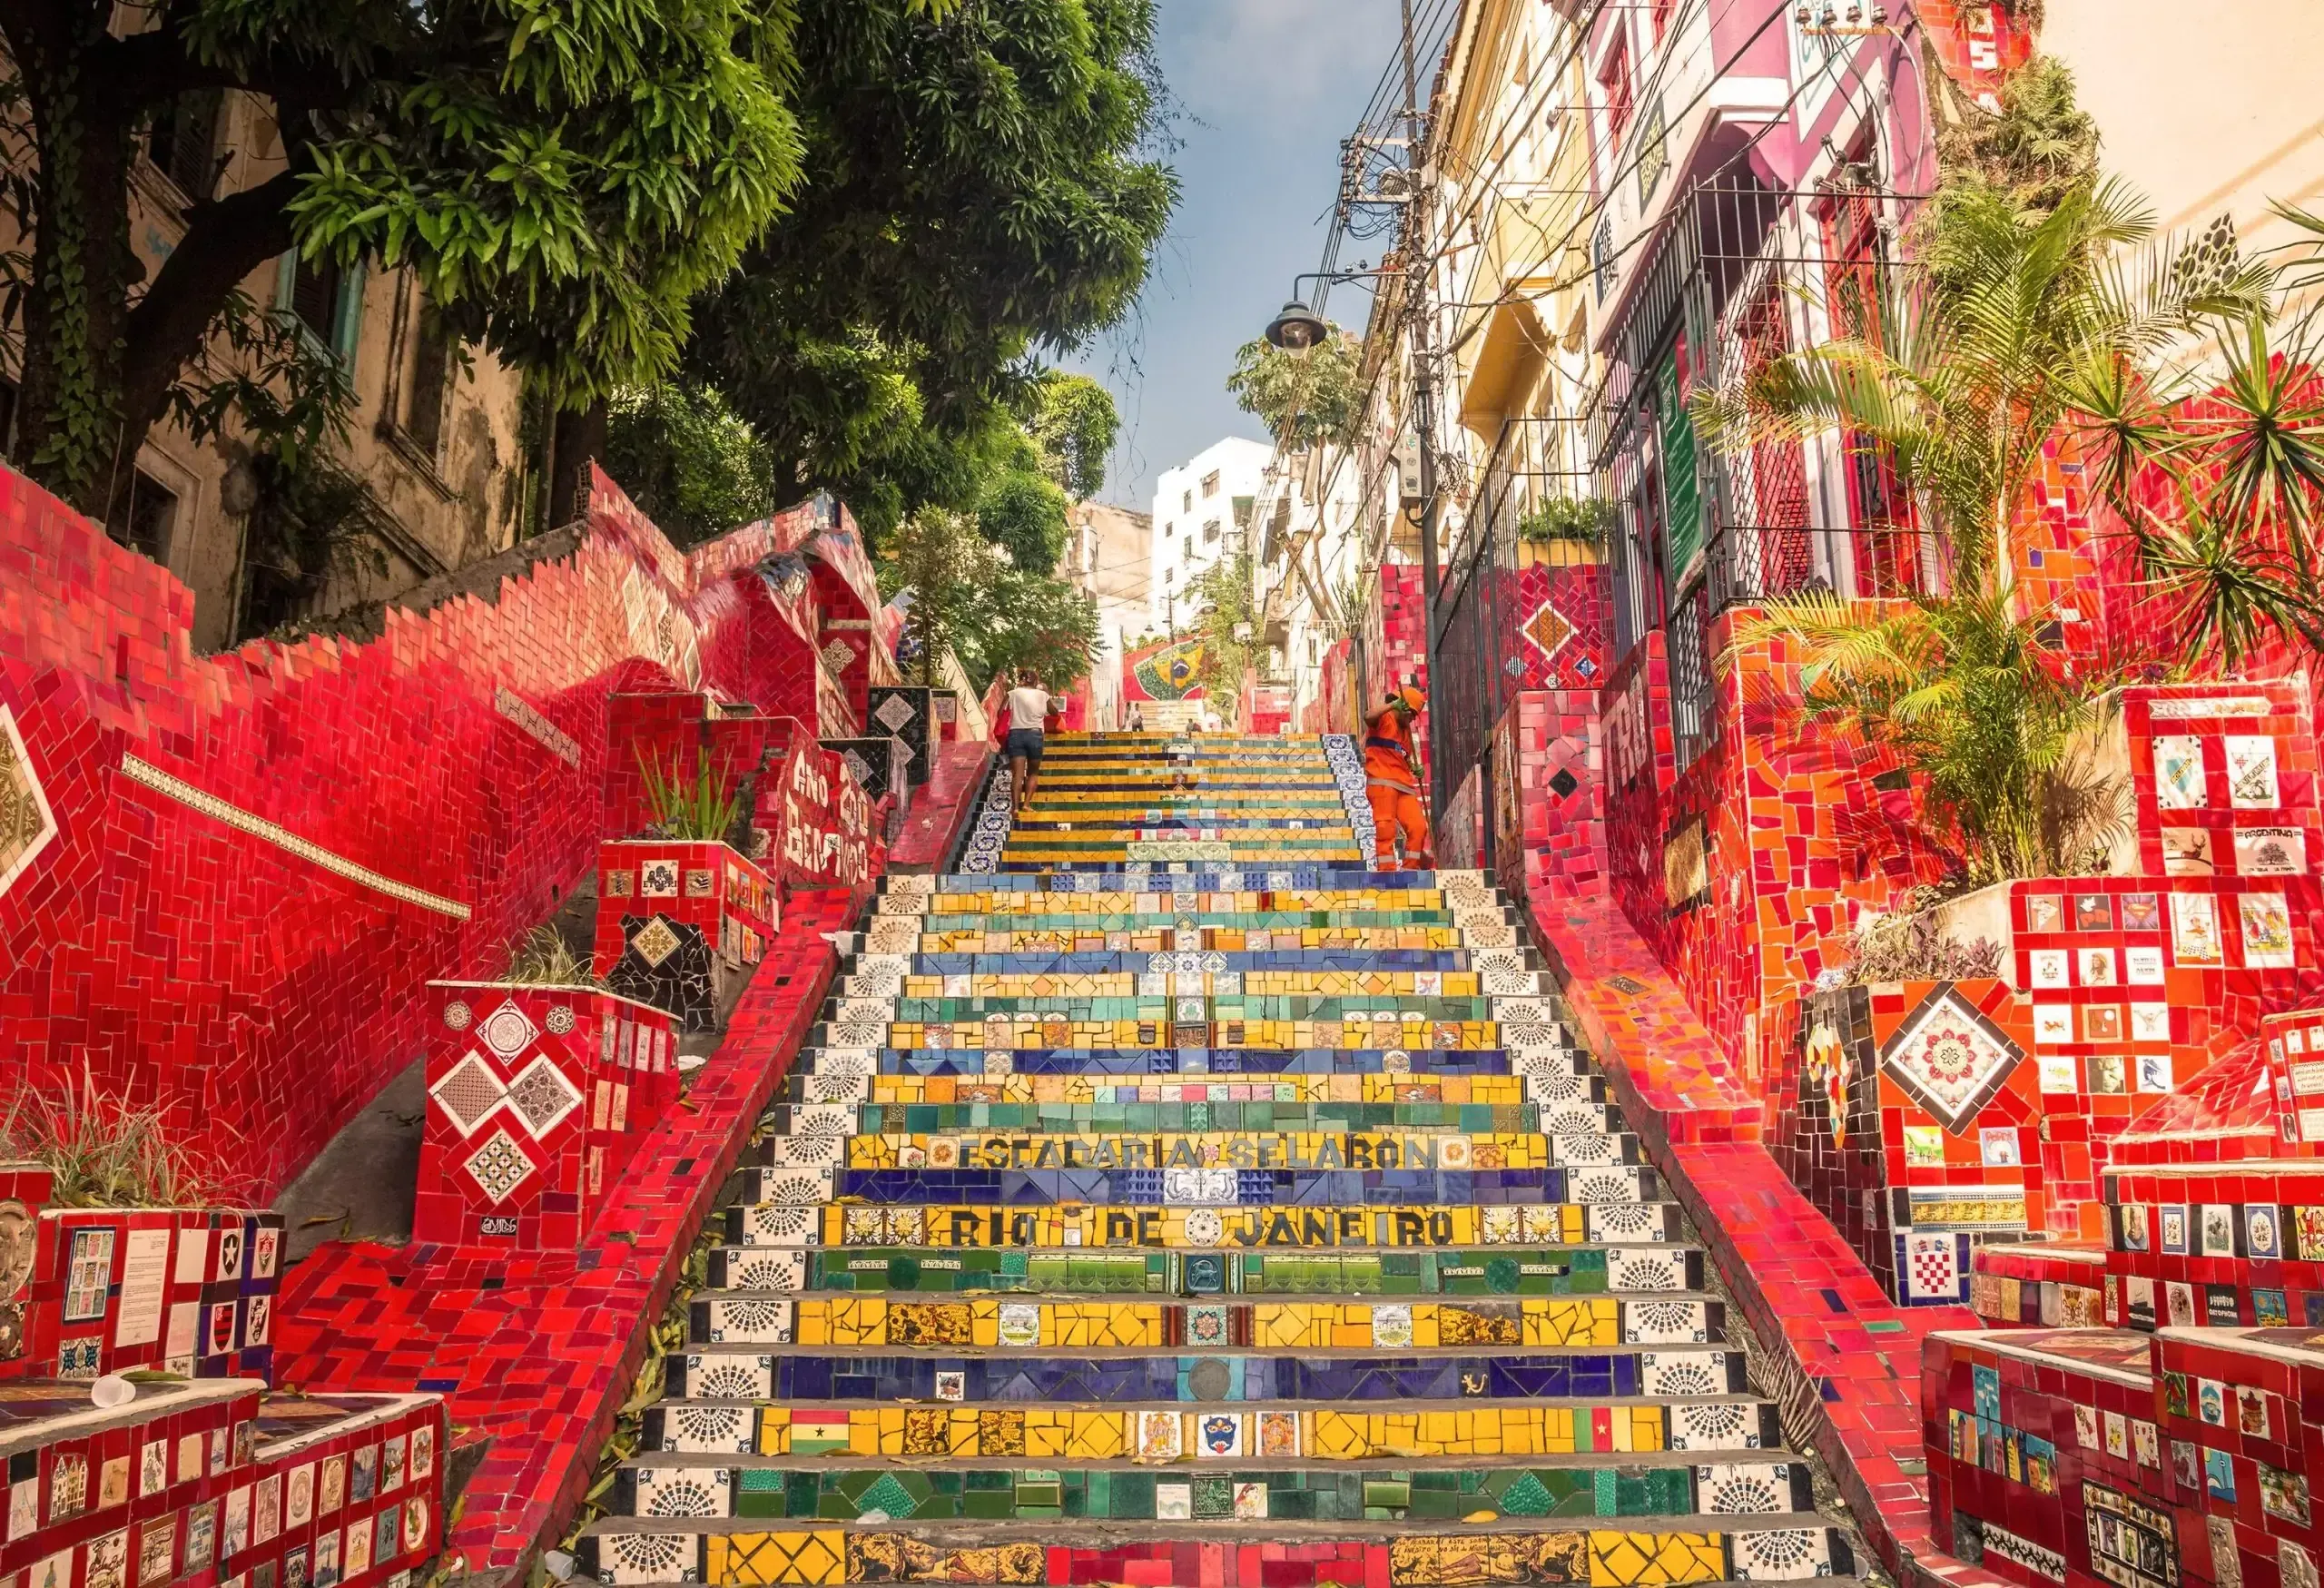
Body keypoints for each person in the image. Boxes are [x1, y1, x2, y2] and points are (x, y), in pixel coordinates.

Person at [1364, 686, 1433, 872]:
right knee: (1385, 828)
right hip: (1381, 782)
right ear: (1401, 707)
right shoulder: (1383, 719)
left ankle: (1411, 869)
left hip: (1404, 785)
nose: (1411, 719)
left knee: (1418, 827)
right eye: (1410, 713)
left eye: (1414, 715)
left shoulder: (1406, 734)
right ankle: (1387, 872)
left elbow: (1404, 756)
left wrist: (1415, 768)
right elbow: (1368, 716)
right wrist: (1392, 705)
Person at [1003, 669, 1052, 815]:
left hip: (1016, 734)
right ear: (1036, 681)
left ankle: (1015, 808)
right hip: (1034, 735)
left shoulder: (1012, 693)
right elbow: (1054, 711)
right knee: (1033, 773)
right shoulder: (1042, 695)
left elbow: (1001, 712)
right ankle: (1026, 804)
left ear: (1021, 680)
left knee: (1017, 775)